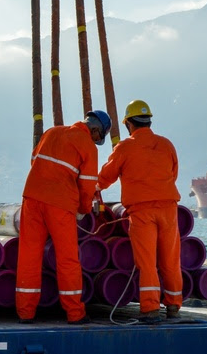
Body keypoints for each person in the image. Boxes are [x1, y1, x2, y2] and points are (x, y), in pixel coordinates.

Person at [15, 110, 112, 324]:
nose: (97, 141)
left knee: (29, 256)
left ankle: (25, 312)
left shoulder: (51, 132)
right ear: (95, 129)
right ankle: (75, 313)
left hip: (31, 198)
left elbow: (35, 161)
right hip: (60, 204)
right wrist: (84, 210)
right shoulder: (87, 145)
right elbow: (87, 186)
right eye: (99, 137)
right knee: (67, 259)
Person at [97, 100, 182, 319]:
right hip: (168, 209)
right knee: (170, 260)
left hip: (142, 211)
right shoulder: (166, 145)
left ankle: (150, 308)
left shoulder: (125, 147)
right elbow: (173, 174)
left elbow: (106, 177)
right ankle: (173, 305)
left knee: (147, 263)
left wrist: (91, 189)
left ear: (128, 124)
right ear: (149, 121)